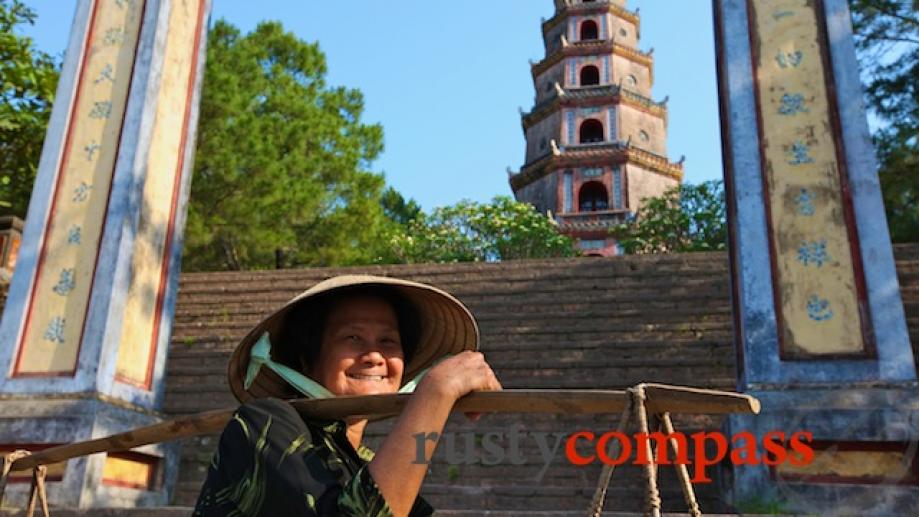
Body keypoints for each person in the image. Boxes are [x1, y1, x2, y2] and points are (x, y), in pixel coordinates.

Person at [193, 275, 502, 516]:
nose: (374, 356)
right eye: (353, 337)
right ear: (306, 360)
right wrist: (436, 393)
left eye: (388, 341)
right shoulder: (264, 423)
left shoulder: (364, 463)